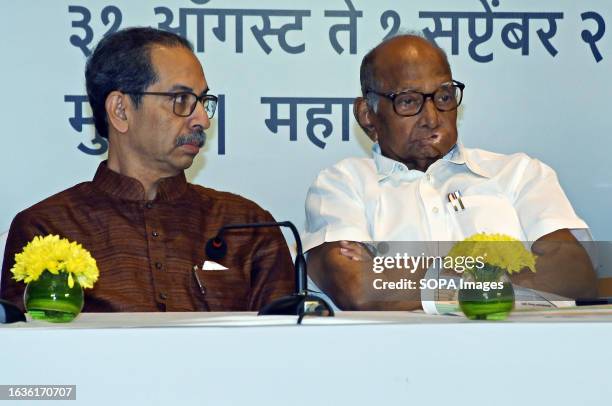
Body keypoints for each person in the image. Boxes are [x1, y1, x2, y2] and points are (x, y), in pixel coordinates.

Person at [0, 27, 294, 312]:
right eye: (181, 100)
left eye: (203, 101)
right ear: (120, 110)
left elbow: (286, 350)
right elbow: (30, 352)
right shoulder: (48, 229)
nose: (202, 120)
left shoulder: (249, 226)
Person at [303, 34, 597, 310]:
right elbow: (359, 288)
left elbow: (575, 276)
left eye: (443, 97)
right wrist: (505, 268)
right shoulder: (342, 185)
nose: (432, 119)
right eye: (408, 101)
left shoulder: (519, 174)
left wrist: (403, 272)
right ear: (368, 116)